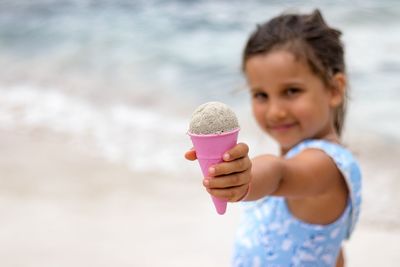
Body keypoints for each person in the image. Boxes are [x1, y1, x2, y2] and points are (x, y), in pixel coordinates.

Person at [185, 9, 361, 267]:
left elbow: (279, 173)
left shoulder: (325, 167)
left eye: (291, 91)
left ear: (334, 90)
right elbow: (332, 251)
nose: (275, 111)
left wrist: (245, 178)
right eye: (261, 95)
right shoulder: (305, 162)